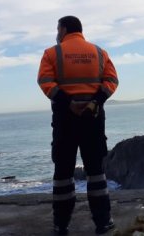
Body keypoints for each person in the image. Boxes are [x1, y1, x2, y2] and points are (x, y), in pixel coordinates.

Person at [37, 16, 119, 235]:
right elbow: (112, 81)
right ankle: (103, 223)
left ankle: (61, 225)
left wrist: (68, 103)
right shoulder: (100, 53)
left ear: (63, 29)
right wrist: (95, 101)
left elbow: (45, 82)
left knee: (63, 173)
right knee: (96, 172)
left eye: (58, 28)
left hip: (65, 120)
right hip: (93, 120)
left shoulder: (51, 54)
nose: (57, 32)